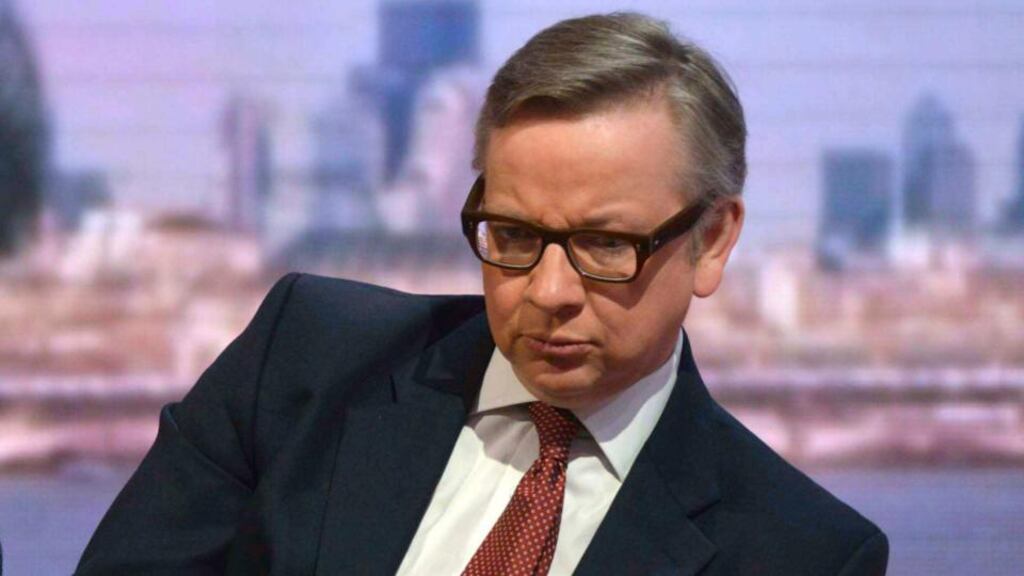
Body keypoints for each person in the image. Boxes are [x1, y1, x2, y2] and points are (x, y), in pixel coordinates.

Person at [77, 12, 888, 576]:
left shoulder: (803, 553)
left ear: (713, 240)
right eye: (514, 236)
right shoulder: (305, 359)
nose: (549, 290)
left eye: (607, 246)